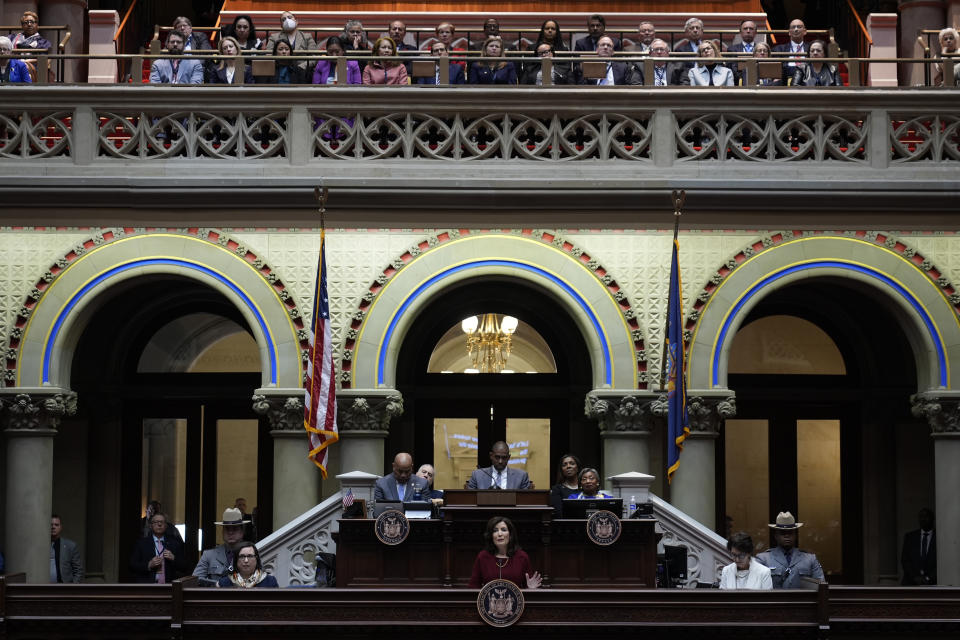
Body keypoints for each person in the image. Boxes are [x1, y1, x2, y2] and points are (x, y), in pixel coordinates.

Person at [756, 511, 825, 589]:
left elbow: (821, 587)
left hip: (802, 600)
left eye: (790, 532)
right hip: (775, 600)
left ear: (795, 535)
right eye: (783, 533)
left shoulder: (810, 559)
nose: (787, 536)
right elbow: (755, 586)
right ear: (776, 536)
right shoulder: (763, 559)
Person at [468, 516, 542, 589]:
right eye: (495, 530)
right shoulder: (483, 556)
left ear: (510, 535)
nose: (499, 534)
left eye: (503, 530)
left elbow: (528, 588)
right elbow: (473, 587)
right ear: (491, 536)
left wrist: (530, 589)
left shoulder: (522, 557)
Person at [193, 507, 249, 584]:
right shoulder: (208, 555)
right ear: (222, 532)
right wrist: (219, 585)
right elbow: (195, 581)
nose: (230, 532)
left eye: (235, 528)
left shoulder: (252, 554)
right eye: (227, 529)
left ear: (242, 532)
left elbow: (261, 580)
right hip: (216, 595)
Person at [130, 512, 186, 583]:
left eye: (162, 522)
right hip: (147, 587)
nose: (159, 524)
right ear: (151, 525)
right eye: (156, 522)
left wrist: (173, 558)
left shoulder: (174, 543)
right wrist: (148, 565)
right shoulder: (141, 543)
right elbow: (132, 565)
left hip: (169, 586)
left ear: (166, 525)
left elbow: (184, 567)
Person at [466, 441, 532, 489]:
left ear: (508, 457)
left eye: (504, 457)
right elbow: (470, 499)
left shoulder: (521, 476)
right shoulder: (477, 475)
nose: (500, 461)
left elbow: (525, 501)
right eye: (497, 457)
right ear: (491, 456)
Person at [901, 507, 936, 585]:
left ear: (932, 519)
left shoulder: (939, 537)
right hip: (911, 582)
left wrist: (928, 578)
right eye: (921, 517)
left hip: (933, 584)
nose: (923, 519)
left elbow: (943, 562)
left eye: (926, 516)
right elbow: (905, 560)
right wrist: (915, 577)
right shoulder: (910, 537)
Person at [773, 18, 810, 83]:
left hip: (807, 78)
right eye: (793, 27)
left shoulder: (811, 48)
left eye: (799, 27)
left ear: (805, 31)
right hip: (785, 80)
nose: (796, 29)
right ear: (789, 32)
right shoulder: (779, 49)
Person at [50, 515, 83, 583]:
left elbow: (78, 571)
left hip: (64, 589)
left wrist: (72, 587)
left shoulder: (70, 546)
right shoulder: (39, 546)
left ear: (60, 527)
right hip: (43, 588)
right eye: (51, 525)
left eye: (56, 525)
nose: (53, 527)